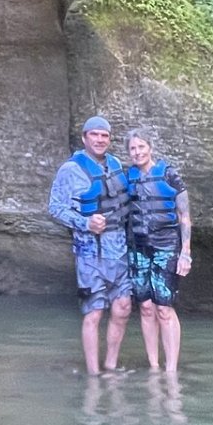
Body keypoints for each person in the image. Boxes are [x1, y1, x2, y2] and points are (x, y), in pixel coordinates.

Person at [49, 116, 132, 375]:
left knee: (123, 308)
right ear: (85, 137)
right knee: (94, 312)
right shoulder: (70, 169)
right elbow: (55, 208)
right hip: (89, 252)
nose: (100, 140)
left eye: (104, 135)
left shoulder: (116, 164)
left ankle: (111, 366)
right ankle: (94, 373)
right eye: (94, 134)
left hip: (120, 251)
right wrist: (85, 222)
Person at [124, 127, 192, 372]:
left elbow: (185, 216)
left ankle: (171, 368)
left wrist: (185, 252)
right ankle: (154, 365)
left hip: (166, 247)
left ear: (150, 148)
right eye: (132, 148)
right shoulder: (128, 177)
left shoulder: (169, 174)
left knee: (164, 308)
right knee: (145, 306)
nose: (137, 152)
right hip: (139, 249)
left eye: (141, 146)